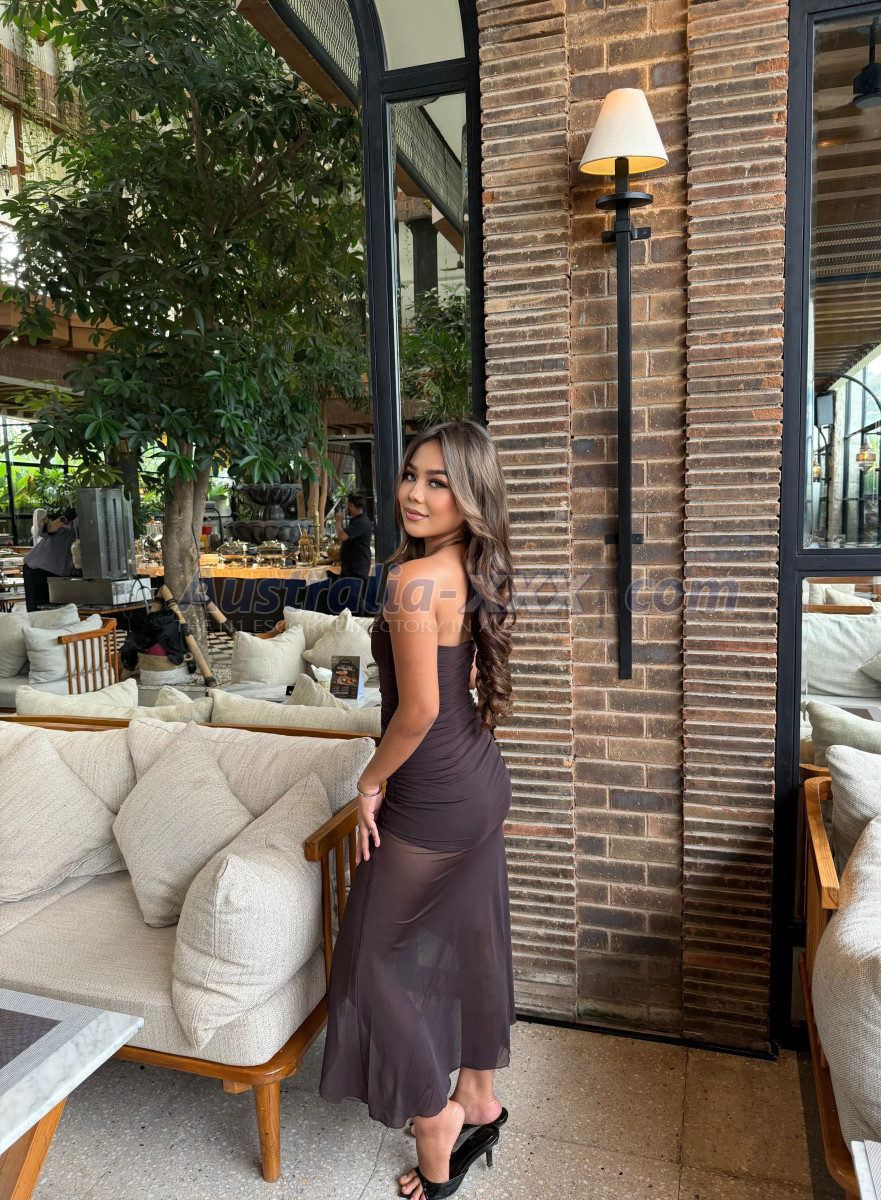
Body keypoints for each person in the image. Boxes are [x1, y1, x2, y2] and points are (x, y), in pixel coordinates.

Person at [319, 421, 517, 1200]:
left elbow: (419, 712)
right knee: (471, 938)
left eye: (439, 482)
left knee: (369, 963)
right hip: (478, 779)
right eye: (410, 474)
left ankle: (435, 1120)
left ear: (470, 496)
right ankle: (478, 1099)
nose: (414, 492)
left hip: (433, 790)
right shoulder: (468, 566)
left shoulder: (412, 581)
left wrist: (369, 784)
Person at [321, 492, 373, 615]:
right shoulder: (356, 521)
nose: (346, 509)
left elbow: (342, 536)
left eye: (347, 505)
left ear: (351, 505)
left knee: (355, 597)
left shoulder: (361, 522)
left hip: (357, 568)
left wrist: (338, 522)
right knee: (347, 598)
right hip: (350, 567)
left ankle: (361, 622)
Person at [22, 507, 79, 611]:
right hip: (38, 569)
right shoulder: (70, 525)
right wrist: (65, 518)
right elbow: (44, 530)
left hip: (56, 572)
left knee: (57, 610)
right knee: (38, 611)